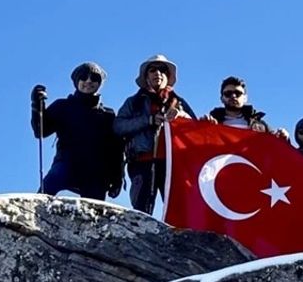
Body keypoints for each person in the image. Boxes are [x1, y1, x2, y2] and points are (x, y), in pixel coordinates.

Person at [113, 55, 195, 214]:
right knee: (142, 211)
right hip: (141, 162)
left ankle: (176, 239)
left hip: (172, 164)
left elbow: (195, 129)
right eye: (153, 69)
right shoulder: (133, 102)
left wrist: (181, 116)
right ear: (146, 76)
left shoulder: (179, 102)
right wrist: (148, 120)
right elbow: (118, 126)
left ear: (168, 76)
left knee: (177, 210)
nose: (158, 73)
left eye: (163, 70)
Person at [30, 62, 124, 201]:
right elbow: (41, 131)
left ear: (100, 84)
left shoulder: (108, 115)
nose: (88, 81)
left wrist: (117, 178)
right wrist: (37, 106)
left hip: (96, 173)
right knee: (48, 187)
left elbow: (116, 150)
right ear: (76, 81)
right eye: (84, 77)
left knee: (95, 214)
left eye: (94, 78)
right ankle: (31, 215)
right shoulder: (62, 106)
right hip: (66, 165)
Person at [204, 76, 289, 140]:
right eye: (228, 93)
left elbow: (276, 150)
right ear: (222, 98)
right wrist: (200, 126)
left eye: (238, 93)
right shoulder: (209, 123)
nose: (233, 96)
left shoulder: (261, 126)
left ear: (245, 98)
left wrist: (284, 138)